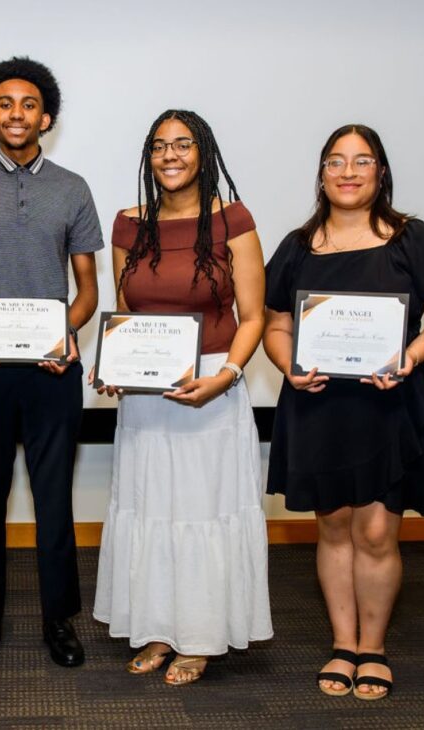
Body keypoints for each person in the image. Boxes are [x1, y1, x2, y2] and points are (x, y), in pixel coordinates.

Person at [263, 124, 424, 700]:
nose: (348, 172)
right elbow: (276, 326)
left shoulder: (411, 239)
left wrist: (410, 356)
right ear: (322, 174)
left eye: (361, 161)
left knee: (377, 531)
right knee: (333, 526)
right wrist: (287, 365)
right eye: (336, 161)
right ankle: (343, 644)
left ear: (380, 172)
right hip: (317, 404)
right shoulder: (298, 246)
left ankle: (373, 648)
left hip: (389, 405)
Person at [92, 110, 273, 686]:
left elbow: (253, 316)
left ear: (204, 153)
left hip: (212, 389)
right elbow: (126, 311)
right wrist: (113, 364)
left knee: (201, 513)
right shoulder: (128, 224)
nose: (170, 155)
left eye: (183, 144)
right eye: (159, 146)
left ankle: (200, 635)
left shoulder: (233, 220)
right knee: (152, 511)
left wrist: (230, 375)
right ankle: (159, 628)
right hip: (146, 397)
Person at [0, 57, 103, 669]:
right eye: (4, 104)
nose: (16, 113)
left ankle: (59, 619)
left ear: (46, 118)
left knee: (53, 500)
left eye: (29, 104)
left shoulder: (73, 188)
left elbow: (87, 290)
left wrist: (65, 334)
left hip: (52, 371)